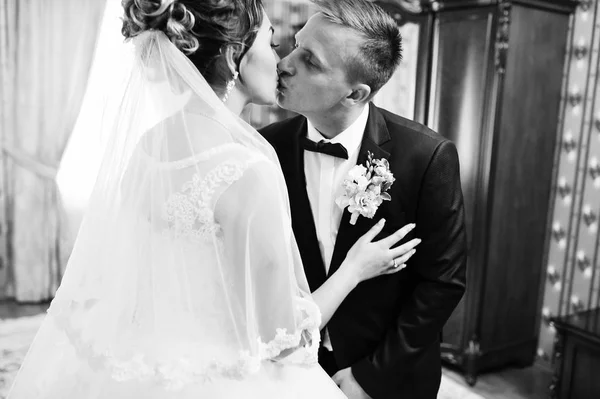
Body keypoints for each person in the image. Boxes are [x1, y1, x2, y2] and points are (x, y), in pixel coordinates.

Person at [7, 0, 420, 398]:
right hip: (223, 377)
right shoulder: (246, 166)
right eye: (272, 44)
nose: (282, 62)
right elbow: (283, 339)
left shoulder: (150, 144)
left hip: (150, 362)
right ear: (231, 57)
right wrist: (353, 269)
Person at [260, 0, 468, 398]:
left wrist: (370, 378)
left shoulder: (426, 157)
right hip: (291, 366)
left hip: (385, 373)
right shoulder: (267, 148)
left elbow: (442, 283)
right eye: (294, 45)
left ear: (355, 93)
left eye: (311, 61)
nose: (284, 64)